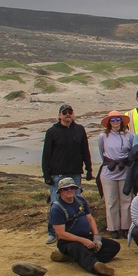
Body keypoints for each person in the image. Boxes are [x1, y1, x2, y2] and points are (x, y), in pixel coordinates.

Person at [42, 103, 93, 243]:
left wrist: (89, 169)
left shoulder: (79, 130)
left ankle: (75, 229)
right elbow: (46, 154)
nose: (67, 115)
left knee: (76, 202)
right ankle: (53, 232)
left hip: (75, 173)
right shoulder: (52, 132)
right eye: (64, 113)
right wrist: (46, 175)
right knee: (55, 203)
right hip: (57, 174)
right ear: (59, 116)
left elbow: (85, 151)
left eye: (70, 112)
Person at [48, 177, 119, 276]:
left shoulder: (80, 200)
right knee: (80, 249)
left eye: (72, 188)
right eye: (66, 189)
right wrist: (83, 241)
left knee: (114, 246)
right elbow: (61, 234)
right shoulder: (57, 208)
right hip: (68, 241)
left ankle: (75, 257)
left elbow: (90, 219)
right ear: (60, 191)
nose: (69, 190)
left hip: (87, 236)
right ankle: (95, 266)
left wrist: (96, 237)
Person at [97, 110, 132, 239]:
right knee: (111, 201)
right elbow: (102, 153)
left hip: (125, 170)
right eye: (112, 120)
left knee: (126, 200)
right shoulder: (103, 136)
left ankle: (126, 227)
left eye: (118, 119)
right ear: (109, 122)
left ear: (121, 121)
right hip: (109, 171)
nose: (115, 122)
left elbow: (131, 152)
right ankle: (113, 228)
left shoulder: (129, 135)